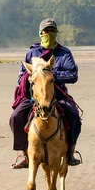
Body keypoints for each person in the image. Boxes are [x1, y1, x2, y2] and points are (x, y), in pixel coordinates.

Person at [9, 18, 82, 169]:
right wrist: (36, 76)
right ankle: (24, 154)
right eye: (46, 31)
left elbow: (73, 75)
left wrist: (51, 74)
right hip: (35, 97)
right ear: (40, 34)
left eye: (52, 31)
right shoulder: (32, 53)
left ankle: (70, 152)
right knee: (15, 117)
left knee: (74, 115)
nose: (49, 34)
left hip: (58, 95)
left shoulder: (64, 53)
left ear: (56, 33)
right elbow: (21, 76)